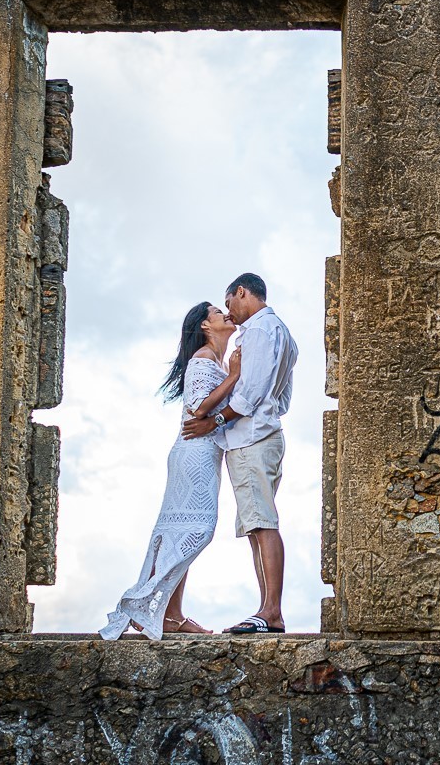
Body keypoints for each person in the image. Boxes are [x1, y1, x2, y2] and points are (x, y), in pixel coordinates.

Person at [99, 302, 240, 640]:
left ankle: (171, 615)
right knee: (199, 530)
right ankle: (146, 603)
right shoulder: (204, 358)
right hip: (192, 454)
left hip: (204, 454)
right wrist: (235, 376)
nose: (226, 314)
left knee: (185, 533)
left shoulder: (215, 359)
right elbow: (197, 407)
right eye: (218, 312)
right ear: (206, 326)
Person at [182, 273, 297, 634]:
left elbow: (249, 395)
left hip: (251, 439)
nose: (229, 310)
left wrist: (214, 421)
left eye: (228, 301)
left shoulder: (261, 331)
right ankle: (267, 609)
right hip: (266, 434)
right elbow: (283, 399)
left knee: (261, 523)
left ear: (241, 292)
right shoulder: (283, 334)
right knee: (256, 523)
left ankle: (271, 612)